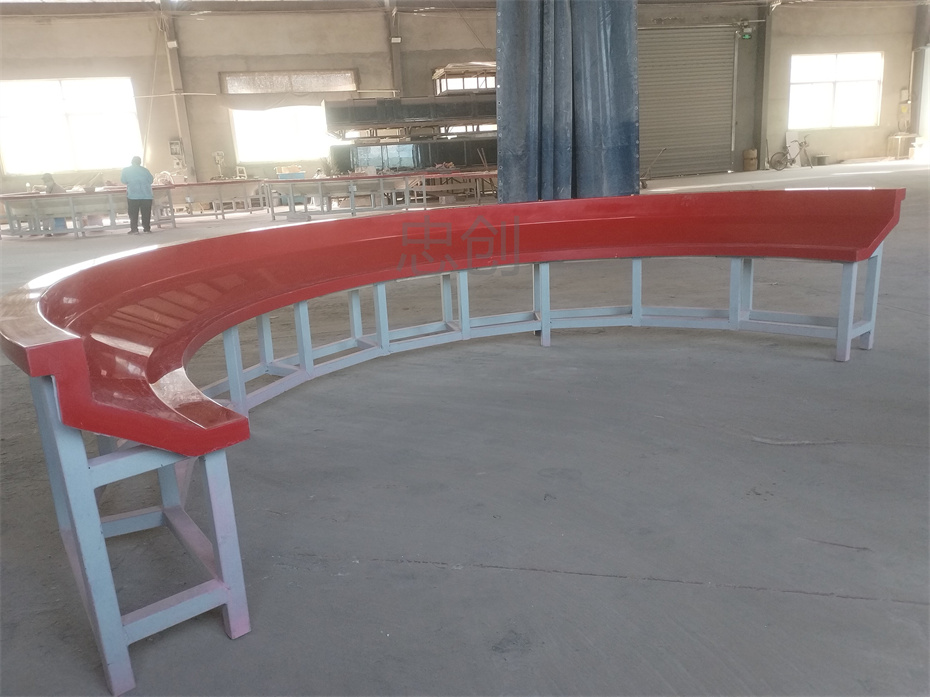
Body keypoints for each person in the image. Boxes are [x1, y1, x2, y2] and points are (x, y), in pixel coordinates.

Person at [120, 156, 155, 234]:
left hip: (133, 195)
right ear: (140, 162)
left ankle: (134, 229)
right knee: (146, 213)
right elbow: (151, 180)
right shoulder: (145, 170)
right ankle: (146, 229)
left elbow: (123, 181)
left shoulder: (126, 170)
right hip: (146, 195)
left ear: (132, 162)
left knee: (133, 213)